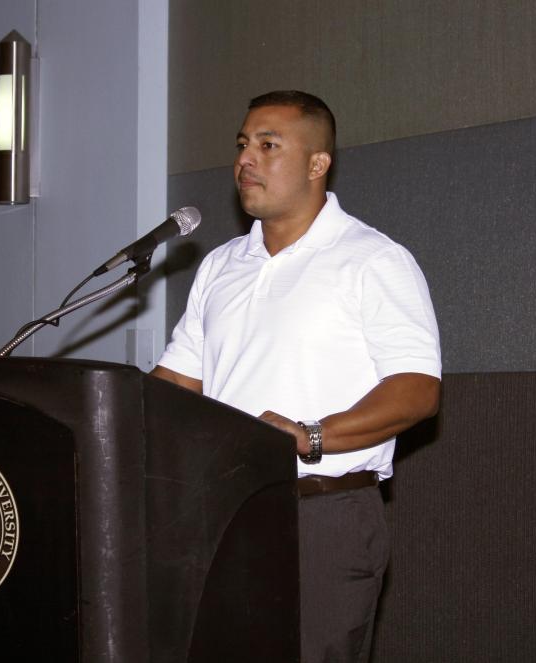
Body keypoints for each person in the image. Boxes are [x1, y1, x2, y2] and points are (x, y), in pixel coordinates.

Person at [151, 90, 441, 663]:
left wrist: (310, 436)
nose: (245, 160)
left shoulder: (372, 259)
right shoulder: (221, 264)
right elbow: (176, 385)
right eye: (241, 145)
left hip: (322, 518)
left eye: (268, 145)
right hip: (223, 513)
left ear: (317, 163)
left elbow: (417, 389)